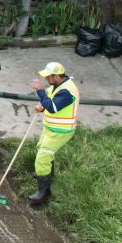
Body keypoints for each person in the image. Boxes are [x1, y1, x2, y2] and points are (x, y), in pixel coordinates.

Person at [29, 62, 80, 205]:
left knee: (43, 157)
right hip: (51, 128)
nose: (46, 79)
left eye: (48, 76)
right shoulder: (56, 86)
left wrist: (40, 91)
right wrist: (42, 106)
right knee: (42, 149)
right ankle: (46, 176)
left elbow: (53, 107)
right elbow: (50, 101)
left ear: (56, 76)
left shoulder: (67, 91)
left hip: (61, 131)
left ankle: (44, 193)